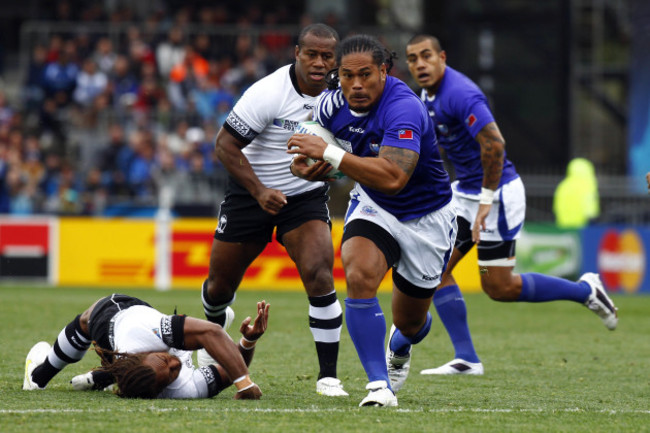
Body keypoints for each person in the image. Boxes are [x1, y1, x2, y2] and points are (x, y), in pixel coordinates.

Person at [404, 34, 618, 376]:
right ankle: (467, 359)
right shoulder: (425, 97)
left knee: (499, 288)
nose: (419, 64)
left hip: (498, 196)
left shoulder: (461, 93)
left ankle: (585, 290)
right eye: (413, 59)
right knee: (435, 270)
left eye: (426, 56)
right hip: (466, 195)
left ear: (442, 57)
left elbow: (495, 145)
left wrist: (487, 199)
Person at [288, 34, 456, 407]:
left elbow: (395, 177)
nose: (357, 85)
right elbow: (328, 157)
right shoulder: (331, 106)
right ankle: (379, 386)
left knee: (411, 322)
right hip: (374, 205)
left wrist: (328, 153)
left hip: (426, 218)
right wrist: (310, 169)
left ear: (384, 71)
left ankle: (399, 346)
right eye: (347, 76)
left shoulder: (404, 109)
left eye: (366, 75)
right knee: (359, 272)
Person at [198, 23, 347, 397]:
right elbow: (224, 145)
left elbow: (354, 148)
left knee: (320, 275)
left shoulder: (342, 95)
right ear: (296, 53)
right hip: (251, 195)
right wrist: (260, 191)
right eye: (311, 54)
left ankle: (328, 376)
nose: (318, 62)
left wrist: (333, 170)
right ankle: (214, 331)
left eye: (326, 56)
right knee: (219, 287)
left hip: (304, 199)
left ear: (335, 58)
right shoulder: (267, 92)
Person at [23, 294, 269, 399]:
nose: (175, 363)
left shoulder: (139, 331)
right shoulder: (183, 389)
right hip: (128, 355)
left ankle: (39, 375)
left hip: (116, 315)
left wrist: (245, 384)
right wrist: (249, 341)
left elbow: (211, 331)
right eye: (172, 372)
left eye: (165, 363)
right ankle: (101, 377)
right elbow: (230, 371)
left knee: (88, 319)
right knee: (209, 346)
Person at [553, 157, 600, 229]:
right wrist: (592, 219)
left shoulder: (563, 185)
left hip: (563, 225)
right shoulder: (588, 184)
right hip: (582, 226)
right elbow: (590, 204)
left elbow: (556, 206)